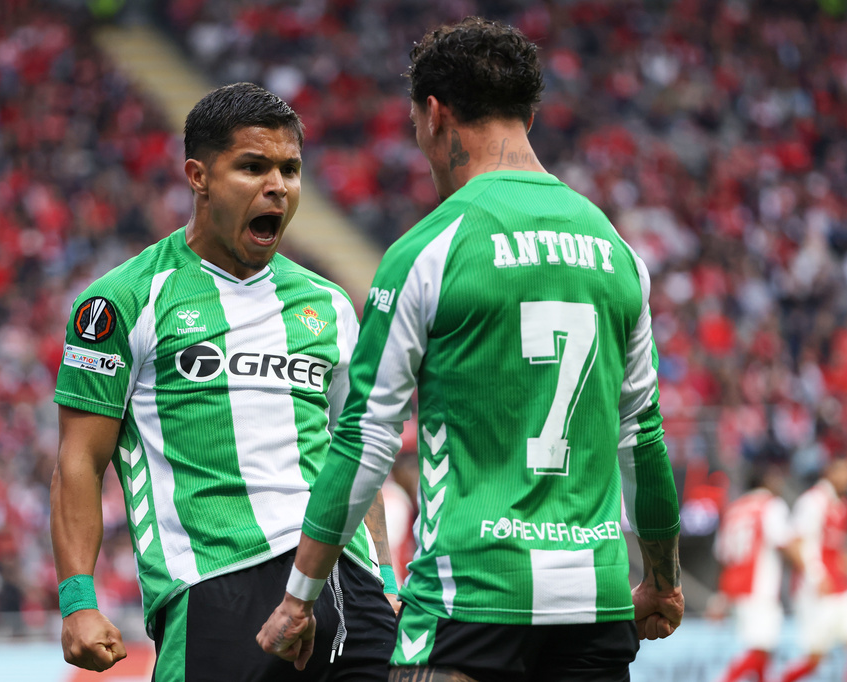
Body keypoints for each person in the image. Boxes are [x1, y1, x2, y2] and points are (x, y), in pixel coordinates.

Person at [257, 17, 683, 681]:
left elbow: (364, 440)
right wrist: (660, 578)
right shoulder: (617, 252)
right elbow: (643, 444)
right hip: (595, 605)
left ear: (434, 114)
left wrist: (299, 598)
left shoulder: (428, 249)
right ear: (530, 114)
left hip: (470, 602)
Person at [50, 82, 398, 681]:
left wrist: (387, 579)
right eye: (253, 166)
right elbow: (79, 461)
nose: (278, 186)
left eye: (290, 169)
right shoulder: (124, 301)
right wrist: (78, 602)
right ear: (198, 176)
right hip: (216, 585)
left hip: (345, 582)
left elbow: (354, 454)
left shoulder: (330, 305)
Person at [709, 464, 802, 682]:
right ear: (765, 480)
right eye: (776, 478)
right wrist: (809, 568)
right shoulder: (770, 505)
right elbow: (784, 542)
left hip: (735, 590)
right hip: (759, 589)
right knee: (761, 649)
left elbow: (722, 556)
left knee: (761, 651)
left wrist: (721, 595)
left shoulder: (734, 508)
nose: (780, 483)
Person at [776, 456, 847, 682]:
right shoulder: (813, 501)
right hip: (815, 590)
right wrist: (816, 576)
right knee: (814, 658)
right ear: (829, 472)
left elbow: (835, 551)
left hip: (838, 587)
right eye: (843, 472)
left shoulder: (841, 506)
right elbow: (795, 543)